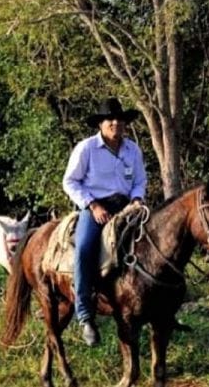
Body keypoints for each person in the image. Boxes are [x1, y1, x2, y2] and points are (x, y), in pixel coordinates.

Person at [63, 97, 147, 347]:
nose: (115, 123)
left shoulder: (133, 149)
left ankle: (157, 303)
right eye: (110, 120)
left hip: (127, 205)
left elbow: (141, 179)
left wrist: (137, 198)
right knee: (85, 250)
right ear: (100, 124)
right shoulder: (86, 148)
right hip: (95, 207)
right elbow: (70, 181)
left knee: (155, 242)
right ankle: (85, 314)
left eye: (120, 120)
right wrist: (92, 205)